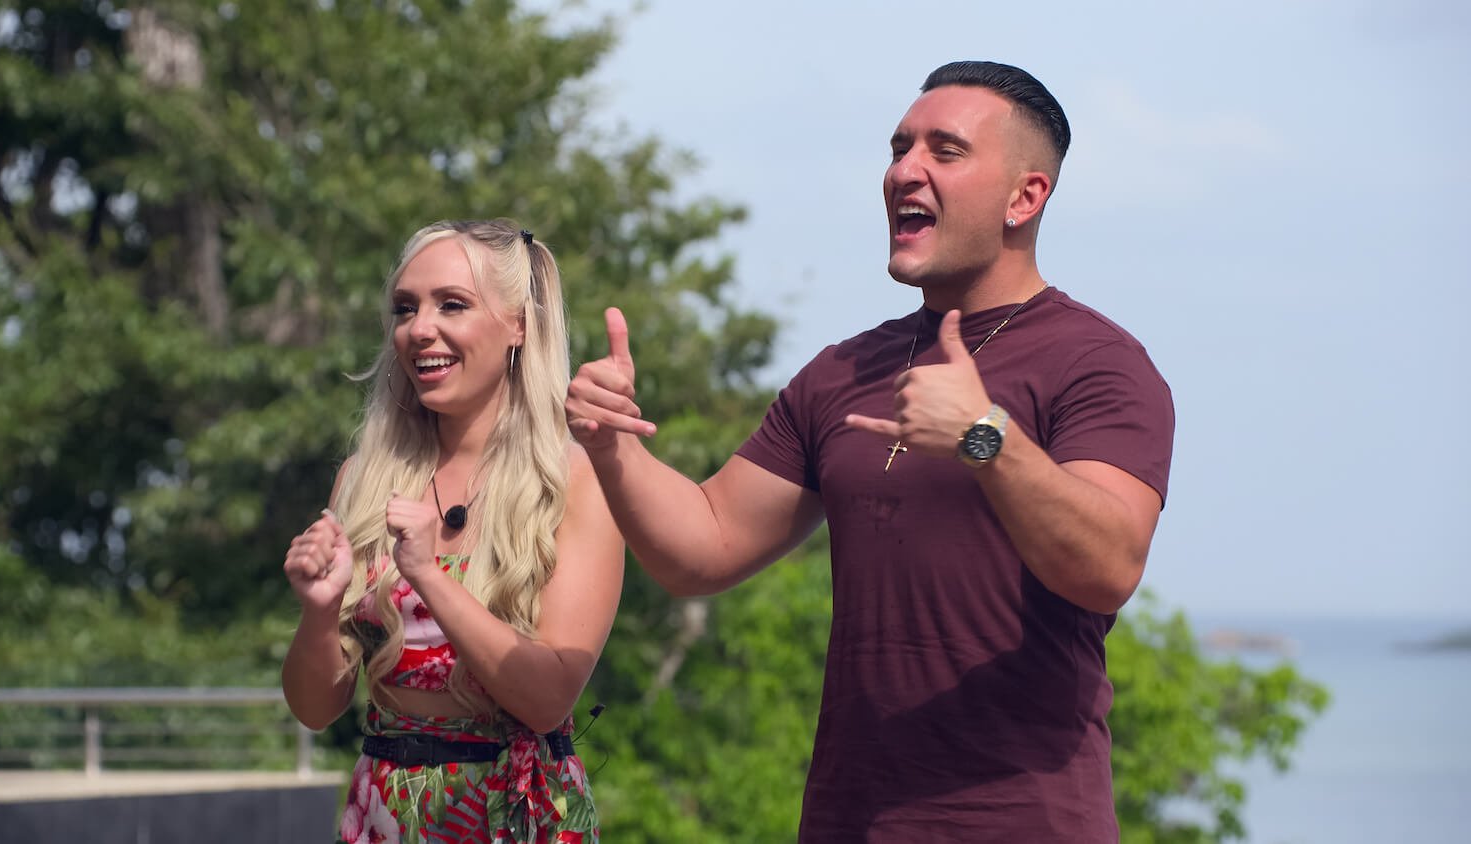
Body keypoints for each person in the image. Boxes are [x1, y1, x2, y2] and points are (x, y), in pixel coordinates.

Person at [564, 61, 1175, 841]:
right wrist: (614, 447)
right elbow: (703, 548)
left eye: (944, 150)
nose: (903, 171)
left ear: (1025, 197)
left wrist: (983, 437)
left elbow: (1109, 567)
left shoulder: (1098, 362)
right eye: (898, 147)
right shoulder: (842, 371)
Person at [282, 219, 623, 844]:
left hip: (514, 813)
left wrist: (427, 576)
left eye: (453, 305)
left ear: (519, 324)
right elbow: (312, 709)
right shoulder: (363, 480)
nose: (419, 329)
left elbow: (547, 699)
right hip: (383, 808)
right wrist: (319, 611)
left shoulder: (577, 482)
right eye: (405, 308)